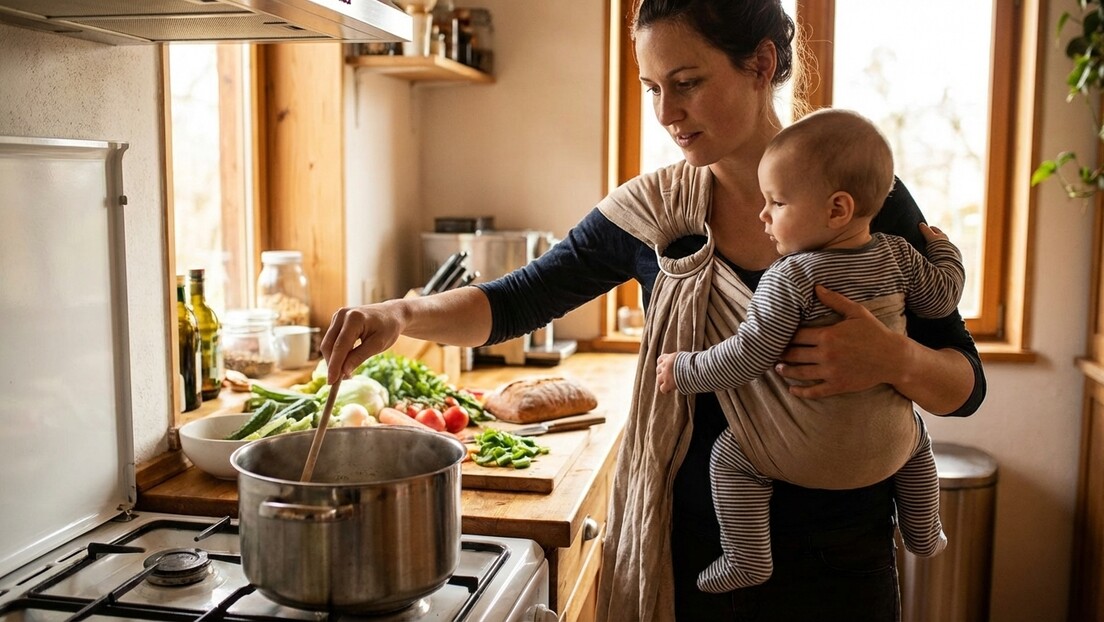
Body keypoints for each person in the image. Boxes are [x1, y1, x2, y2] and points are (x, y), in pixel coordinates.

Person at [321, 0, 986, 619]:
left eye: (687, 81)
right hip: (695, 563)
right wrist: (401, 314)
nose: (666, 111)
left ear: (758, 65)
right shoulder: (656, 215)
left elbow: (965, 386)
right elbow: (518, 300)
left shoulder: (860, 196)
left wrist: (893, 357)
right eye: (651, 88)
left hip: (843, 565)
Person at [654, 107, 961, 594]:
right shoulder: (899, 255)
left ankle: (746, 557)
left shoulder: (792, 276)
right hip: (886, 453)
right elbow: (943, 296)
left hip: (801, 455)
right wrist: (945, 250)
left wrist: (685, 368)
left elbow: (748, 355)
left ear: (836, 209)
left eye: (776, 203)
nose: (763, 215)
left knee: (731, 458)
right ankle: (924, 532)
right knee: (917, 437)